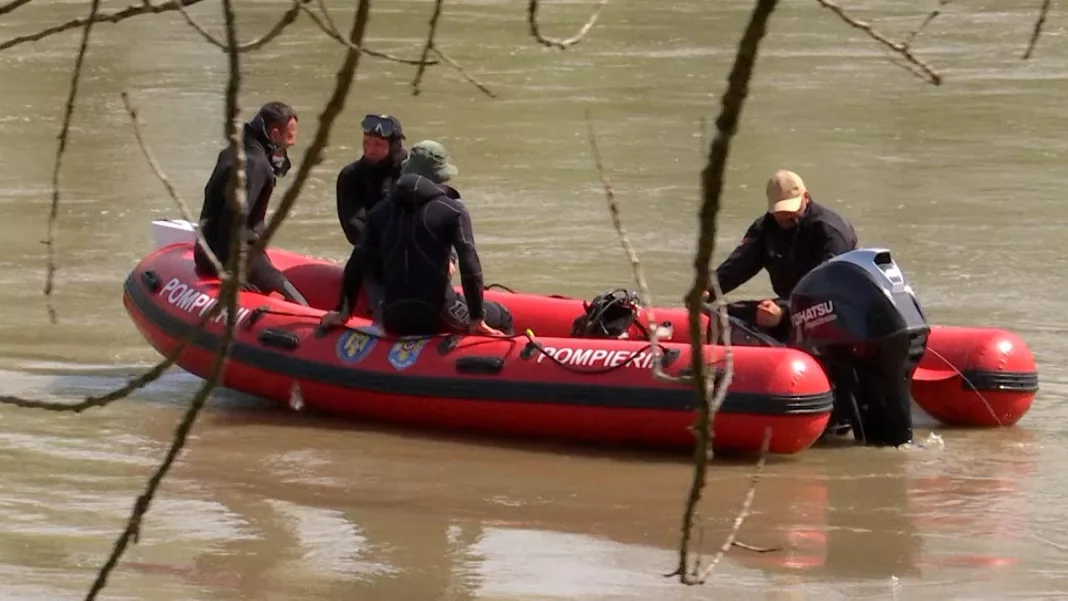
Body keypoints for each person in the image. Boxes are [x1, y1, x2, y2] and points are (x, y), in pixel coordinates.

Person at [320, 140, 514, 337]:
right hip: (440, 314)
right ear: (439, 176)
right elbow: (470, 266)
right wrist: (476, 318)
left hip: (393, 317)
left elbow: (356, 263)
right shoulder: (452, 210)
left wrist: (343, 313)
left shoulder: (380, 211)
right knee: (503, 315)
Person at [709, 169, 857, 341]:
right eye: (780, 211)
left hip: (829, 312)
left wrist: (784, 311)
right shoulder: (766, 228)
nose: (786, 216)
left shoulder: (830, 232)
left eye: (791, 210)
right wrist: (708, 288)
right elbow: (739, 264)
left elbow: (827, 288)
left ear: (806, 197)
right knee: (720, 317)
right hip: (788, 307)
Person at [194, 101, 309, 306]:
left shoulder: (232, 151)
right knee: (296, 299)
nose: (288, 148)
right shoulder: (256, 165)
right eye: (288, 141)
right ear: (274, 135)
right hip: (235, 256)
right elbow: (233, 216)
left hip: (203, 251)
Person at [335, 114, 407, 246]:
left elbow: (439, 211)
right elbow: (354, 224)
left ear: (394, 145)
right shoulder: (351, 175)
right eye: (366, 142)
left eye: (378, 144)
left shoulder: (412, 172)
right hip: (371, 250)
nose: (370, 150)